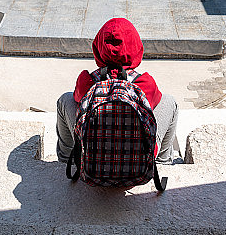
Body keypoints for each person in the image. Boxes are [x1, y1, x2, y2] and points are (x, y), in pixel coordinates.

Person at [56, 17, 179, 164]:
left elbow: (77, 100)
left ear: (98, 48)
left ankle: (66, 160)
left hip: (93, 164)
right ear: (136, 47)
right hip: (136, 164)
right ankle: (162, 162)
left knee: (65, 99)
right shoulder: (145, 83)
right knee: (169, 101)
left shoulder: (87, 82)